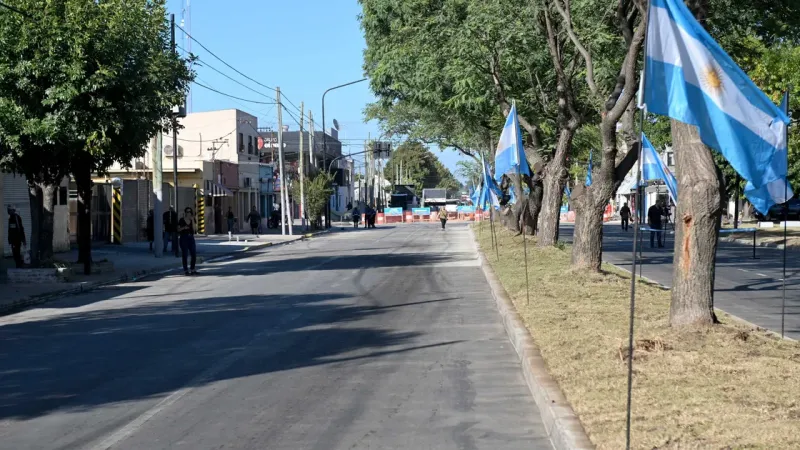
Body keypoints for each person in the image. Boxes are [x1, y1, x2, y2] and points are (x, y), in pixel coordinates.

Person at [178, 207, 198, 275]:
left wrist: (192, 220)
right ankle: (185, 270)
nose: (189, 213)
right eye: (187, 212)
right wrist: (184, 227)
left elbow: (195, 230)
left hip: (191, 238)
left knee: (194, 254)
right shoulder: (181, 220)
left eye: (190, 212)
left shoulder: (193, 219)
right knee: (185, 255)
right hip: (184, 238)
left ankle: (192, 269)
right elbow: (178, 229)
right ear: (185, 213)